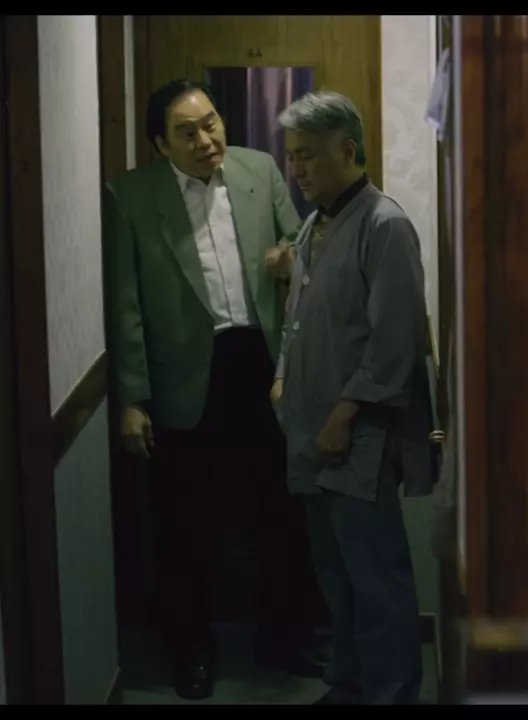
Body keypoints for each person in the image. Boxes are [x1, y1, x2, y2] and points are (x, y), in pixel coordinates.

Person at [103, 78, 324, 700]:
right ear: (160, 144)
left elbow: (301, 242)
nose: (206, 140)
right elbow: (126, 304)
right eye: (187, 133)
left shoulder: (258, 168)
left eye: (212, 124)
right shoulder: (130, 196)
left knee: (281, 509)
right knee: (184, 523)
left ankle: (284, 639)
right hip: (183, 375)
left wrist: (290, 259)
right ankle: (191, 649)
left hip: (262, 362)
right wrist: (132, 398)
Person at [273, 91, 435, 705]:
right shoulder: (315, 221)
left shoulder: (383, 225)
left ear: (347, 151)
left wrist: (344, 416)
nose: (297, 169)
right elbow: (297, 317)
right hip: (308, 427)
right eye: (292, 156)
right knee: (335, 576)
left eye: (308, 156)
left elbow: (394, 342)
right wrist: (281, 375)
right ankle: (348, 684)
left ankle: (391, 694)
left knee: (376, 578)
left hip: (357, 432)